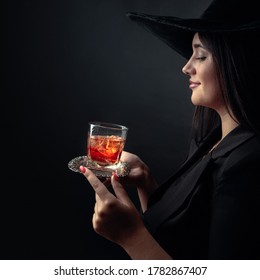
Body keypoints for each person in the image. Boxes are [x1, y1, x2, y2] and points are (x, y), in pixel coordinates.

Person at [79, 0, 260, 259]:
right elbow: (183, 241)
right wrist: (145, 181)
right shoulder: (213, 141)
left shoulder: (249, 163)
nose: (186, 67)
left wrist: (130, 236)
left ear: (238, 61)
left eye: (200, 55)